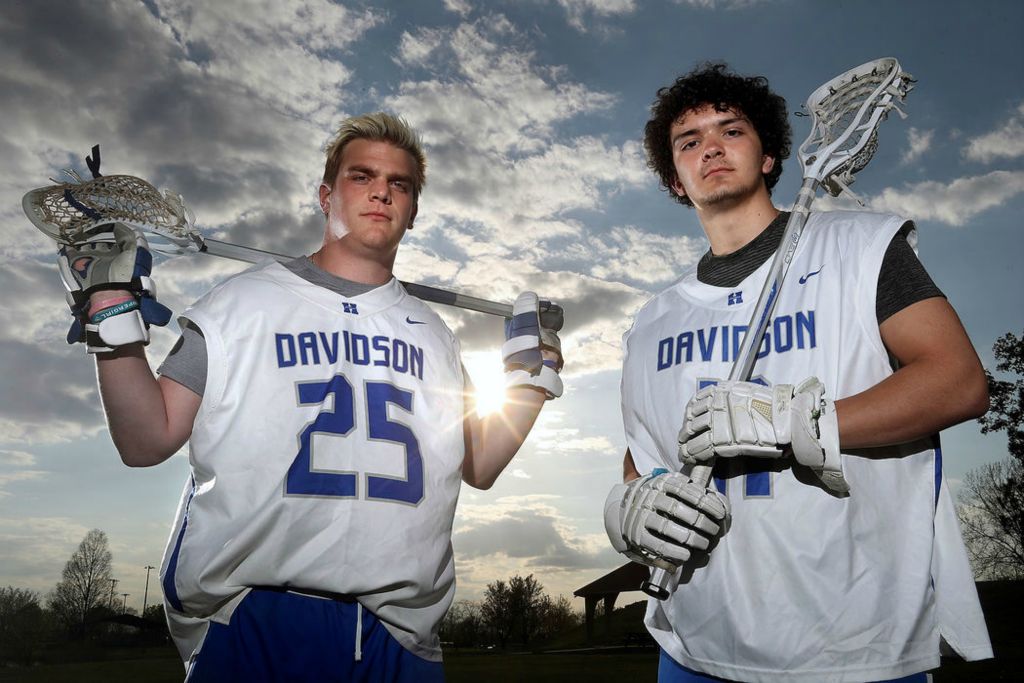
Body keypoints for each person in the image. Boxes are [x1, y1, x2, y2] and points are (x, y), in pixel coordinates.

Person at [56, 112, 563, 681]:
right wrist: (111, 318)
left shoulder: (435, 336)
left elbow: (480, 464)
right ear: (326, 195)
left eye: (400, 183)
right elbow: (146, 440)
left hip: (401, 635)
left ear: (414, 209)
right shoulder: (239, 305)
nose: (381, 191)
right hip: (255, 618)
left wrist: (526, 387)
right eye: (361, 176)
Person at [603, 63, 993, 682]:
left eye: (730, 129)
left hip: (853, 638)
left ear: (769, 156)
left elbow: (960, 382)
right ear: (674, 181)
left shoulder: (861, 247)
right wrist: (631, 505)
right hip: (696, 641)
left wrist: (795, 420)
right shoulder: (652, 319)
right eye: (689, 141)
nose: (710, 146)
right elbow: (643, 453)